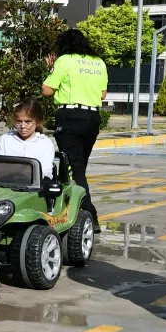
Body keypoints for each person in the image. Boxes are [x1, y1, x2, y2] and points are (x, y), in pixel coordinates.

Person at [42, 28, 108, 232]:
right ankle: (76, 211)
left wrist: (51, 69)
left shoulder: (64, 60)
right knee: (79, 168)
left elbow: (46, 90)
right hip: (92, 118)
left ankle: (90, 215)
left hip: (70, 117)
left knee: (74, 169)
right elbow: (103, 94)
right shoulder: (98, 62)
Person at [0, 98, 55, 179]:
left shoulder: (45, 143)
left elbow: (46, 172)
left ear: (37, 122)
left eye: (28, 122)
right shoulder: (5, 139)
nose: (23, 126)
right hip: (6, 182)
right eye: (19, 121)